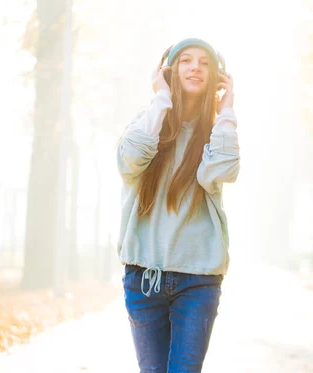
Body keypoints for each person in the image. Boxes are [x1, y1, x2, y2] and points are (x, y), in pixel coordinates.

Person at [115, 38, 240, 373]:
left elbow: (224, 169)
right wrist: (161, 99)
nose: (195, 67)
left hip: (198, 281)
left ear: (217, 76)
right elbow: (129, 162)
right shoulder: (147, 123)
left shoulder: (218, 133)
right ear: (168, 70)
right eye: (186, 60)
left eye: (204, 62)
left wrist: (226, 108)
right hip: (144, 278)